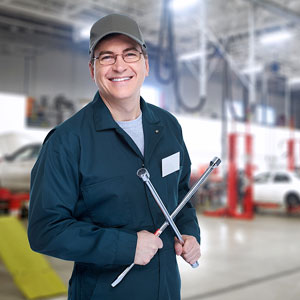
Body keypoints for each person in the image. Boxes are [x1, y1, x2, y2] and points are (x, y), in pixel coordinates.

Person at [28, 13, 201, 300]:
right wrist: (125, 246)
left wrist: (190, 233)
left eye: (129, 54)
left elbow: (181, 195)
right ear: (92, 69)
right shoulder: (67, 142)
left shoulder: (168, 126)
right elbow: (45, 230)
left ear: (145, 64)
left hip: (167, 290)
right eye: (106, 57)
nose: (119, 65)